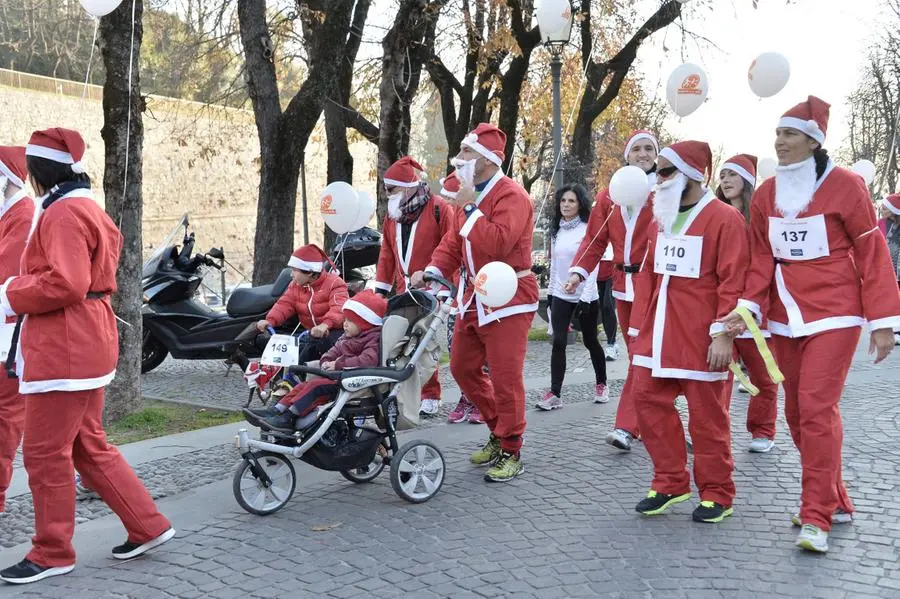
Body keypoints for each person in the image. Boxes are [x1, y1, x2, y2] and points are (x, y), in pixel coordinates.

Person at [721, 96, 900, 552]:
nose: (780, 142)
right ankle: (835, 499)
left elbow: (872, 251)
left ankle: (815, 516)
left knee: (818, 408)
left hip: (836, 312)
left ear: (814, 141)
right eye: (778, 133)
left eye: (790, 134)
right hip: (784, 316)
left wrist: (882, 320)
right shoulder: (764, 194)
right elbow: (761, 258)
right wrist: (747, 308)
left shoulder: (845, 186)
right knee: (797, 413)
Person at [0, 128, 173, 585]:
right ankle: (148, 525)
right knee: (87, 445)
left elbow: (65, 283)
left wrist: (10, 294)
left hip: (65, 344)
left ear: (37, 171)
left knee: (44, 453)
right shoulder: (85, 207)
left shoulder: (61, 213)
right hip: (88, 337)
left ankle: (52, 551)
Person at [411, 122, 539, 483]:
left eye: (466, 153)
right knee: (463, 368)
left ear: (486, 160)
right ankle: (499, 431)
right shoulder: (472, 195)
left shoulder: (511, 195)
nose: (460, 158)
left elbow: (496, 243)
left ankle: (512, 448)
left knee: (505, 377)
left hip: (510, 299)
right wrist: (433, 269)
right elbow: (454, 243)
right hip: (474, 298)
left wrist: (468, 210)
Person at [628, 140, 748, 524]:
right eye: (657, 172)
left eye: (665, 172)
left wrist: (723, 334)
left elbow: (734, 280)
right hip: (658, 331)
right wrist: (637, 326)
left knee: (707, 419)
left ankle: (717, 493)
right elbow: (648, 272)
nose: (657, 179)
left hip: (701, 335)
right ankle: (670, 481)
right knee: (645, 400)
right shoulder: (659, 215)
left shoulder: (725, 219)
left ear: (692, 176)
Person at [564, 129, 659, 451]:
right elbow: (594, 241)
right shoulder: (610, 195)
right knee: (639, 356)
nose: (643, 154)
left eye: (649, 149)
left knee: (642, 356)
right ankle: (652, 419)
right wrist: (578, 273)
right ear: (627, 155)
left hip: (654, 285)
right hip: (622, 285)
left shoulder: (667, 190)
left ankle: (626, 426)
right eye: (637, 149)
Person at [371, 156, 454, 417]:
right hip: (403, 289)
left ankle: (431, 393)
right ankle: (405, 392)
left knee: (425, 343)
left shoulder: (439, 208)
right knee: (403, 342)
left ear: (407, 187)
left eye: (391, 189)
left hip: (432, 287)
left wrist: (442, 286)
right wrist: (381, 289)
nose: (387, 195)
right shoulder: (392, 217)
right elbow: (387, 253)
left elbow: (452, 247)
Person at [716, 154, 780, 453]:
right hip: (724, 309)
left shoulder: (761, 218)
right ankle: (715, 430)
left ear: (748, 180)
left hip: (757, 310)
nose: (725, 181)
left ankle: (763, 430)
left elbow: (767, 265)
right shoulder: (713, 216)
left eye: (732, 175)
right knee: (718, 373)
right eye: (722, 175)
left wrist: (752, 304)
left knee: (763, 376)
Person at [255, 291, 387, 432]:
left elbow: (368, 361)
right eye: (345, 320)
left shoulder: (372, 339)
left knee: (315, 387)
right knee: (303, 386)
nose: (345, 324)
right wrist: (326, 360)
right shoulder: (348, 337)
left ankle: (289, 417)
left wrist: (337, 364)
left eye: (350, 321)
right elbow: (335, 350)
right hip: (340, 377)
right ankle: (276, 410)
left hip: (354, 382)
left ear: (365, 323)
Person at [536, 183, 609, 410]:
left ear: (580, 205)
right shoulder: (556, 231)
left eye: (572, 201)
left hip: (584, 295)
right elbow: (556, 266)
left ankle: (602, 384)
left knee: (590, 340)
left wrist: (586, 296)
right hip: (560, 294)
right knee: (558, 342)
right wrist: (551, 295)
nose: (566, 205)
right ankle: (555, 393)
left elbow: (593, 264)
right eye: (563, 201)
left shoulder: (588, 229)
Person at [0, 146, 34, 515]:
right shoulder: (9, 215)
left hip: (10, 339)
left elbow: (6, 276)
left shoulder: (22, 216)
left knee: (6, 419)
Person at [438, 173, 485, 424]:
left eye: (450, 199)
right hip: (457, 297)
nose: (446, 204)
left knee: (482, 355)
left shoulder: (471, 219)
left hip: (481, 294)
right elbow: (447, 253)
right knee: (456, 351)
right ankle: (466, 396)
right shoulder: (451, 222)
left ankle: (481, 399)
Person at [250, 244, 348, 364]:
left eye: (295, 270)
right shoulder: (296, 286)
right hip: (311, 333)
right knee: (285, 355)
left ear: (310, 272)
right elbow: (285, 304)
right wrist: (270, 320)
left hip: (334, 333)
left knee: (303, 360)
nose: (291, 274)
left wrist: (325, 325)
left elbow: (339, 309)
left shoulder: (335, 283)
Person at [879, 194, 900, 345]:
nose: (882, 209)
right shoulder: (882, 223)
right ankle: (895, 329)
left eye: (885, 208)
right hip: (888, 267)